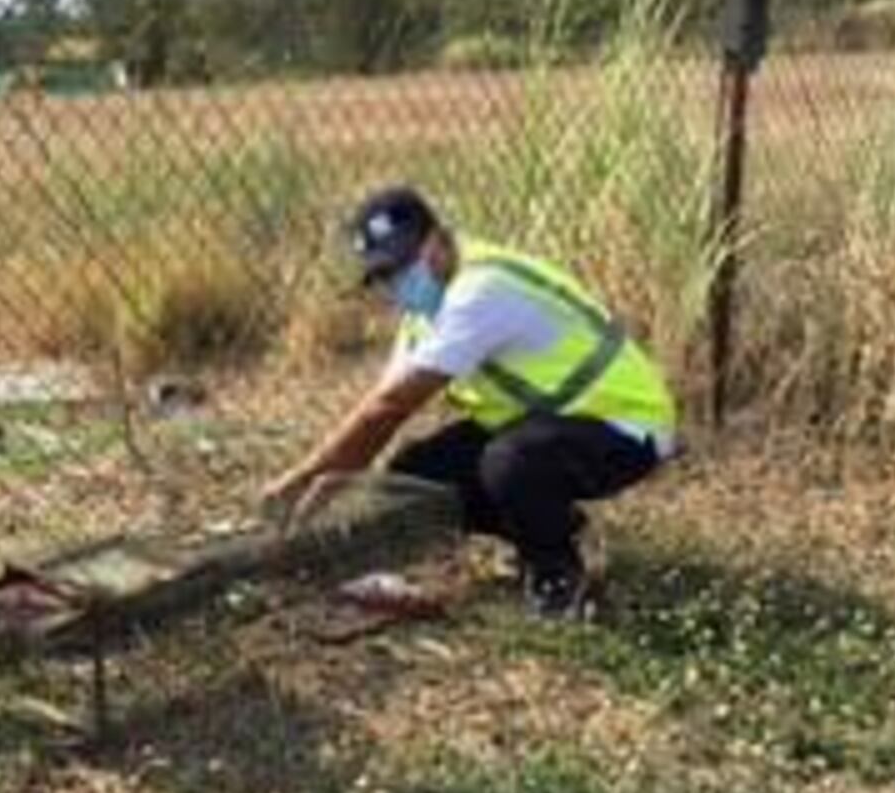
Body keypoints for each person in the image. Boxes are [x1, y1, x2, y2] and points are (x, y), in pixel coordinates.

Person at [262, 186, 678, 618]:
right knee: (416, 474)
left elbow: (386, 412)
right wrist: (321, 495)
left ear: (438, 239)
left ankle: (559, 579)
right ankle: (562, 533)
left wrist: (303, 482)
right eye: (384, 275)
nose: (397, 283)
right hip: (551, 425)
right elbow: (380, 401)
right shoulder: (424, 317)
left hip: (625, 425)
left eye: (404, 265)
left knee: (510, 463)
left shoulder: (482, 289)